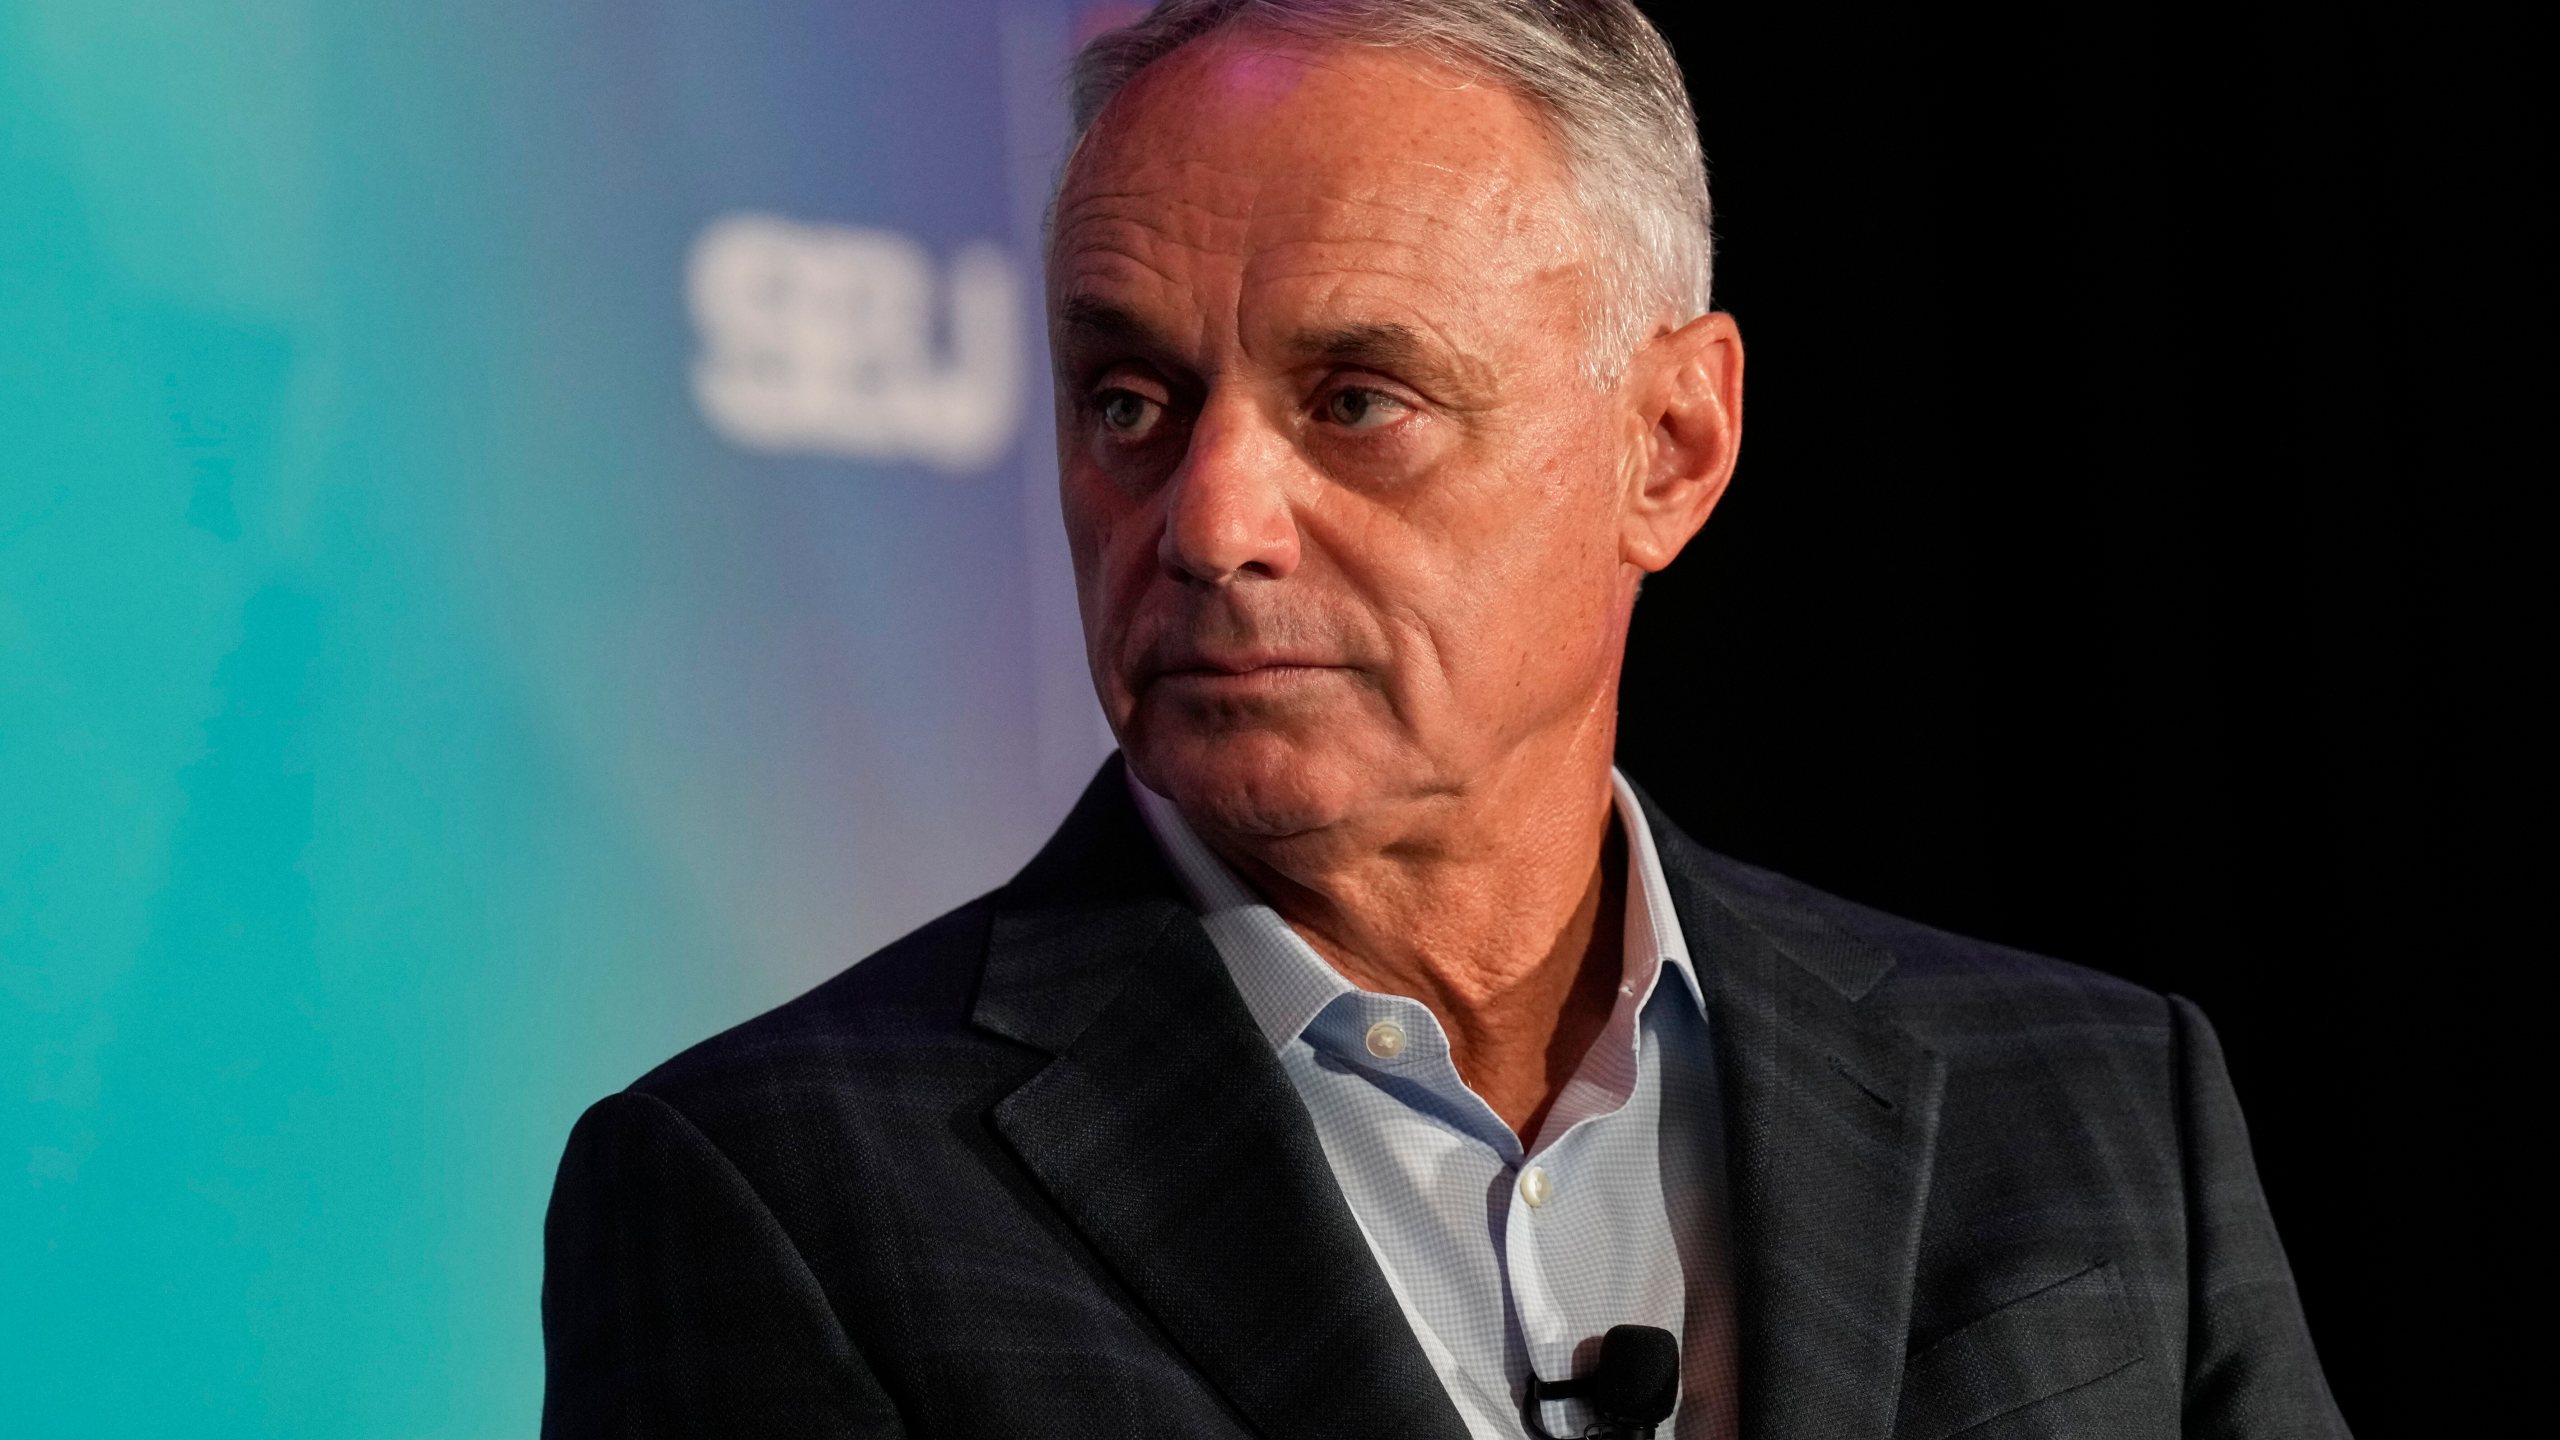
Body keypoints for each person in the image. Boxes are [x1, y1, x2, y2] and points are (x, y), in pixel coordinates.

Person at [540, 3, 2347, 1436]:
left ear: (1672, 447)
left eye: (1354, 397)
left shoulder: (2102, 1103)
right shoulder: (780, 1195)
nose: (1211, 521)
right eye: (1130, 403)